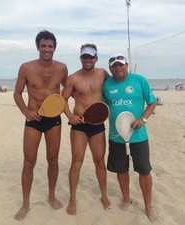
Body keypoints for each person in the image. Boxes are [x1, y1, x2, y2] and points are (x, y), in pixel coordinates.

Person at [13, 30, 68, 220]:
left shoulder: (62, 68)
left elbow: (68, 91)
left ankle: (51, 196)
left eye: (50, 46)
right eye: (43, 46)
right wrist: (26, 112)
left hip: (53, 120)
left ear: (55, 47)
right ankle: (26, 204)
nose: (47, 49)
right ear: (38, 47)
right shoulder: (26, 68)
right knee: (29, 162)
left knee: (53, 159)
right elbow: (17, 93)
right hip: (33, 119)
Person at [102, 54, 157, 222]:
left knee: (144, 170)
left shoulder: (139, 80)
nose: (118, 67)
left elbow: (152, 102)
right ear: (110, 69)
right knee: (121, 169)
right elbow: (102, 105)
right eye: (114, 66)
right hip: (116, 136)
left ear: (127, 65)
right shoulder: (107, 84)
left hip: (138, 136)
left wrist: (143, 119)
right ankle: (126, 199)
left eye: (121, 64)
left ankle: (148, 207)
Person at [61, 43, 111, 215]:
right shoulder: (73, 78)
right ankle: (72, 199)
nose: (88, 60)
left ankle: (104, 195)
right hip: (79, 126)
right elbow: (62, 100)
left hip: (97, 125)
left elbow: (114, 89)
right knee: (77, 161)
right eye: (84, 56)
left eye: (91, 56)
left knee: (99, 161)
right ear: (80, 58)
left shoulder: (103, 73)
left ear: (96, 58)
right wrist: (69, 116)